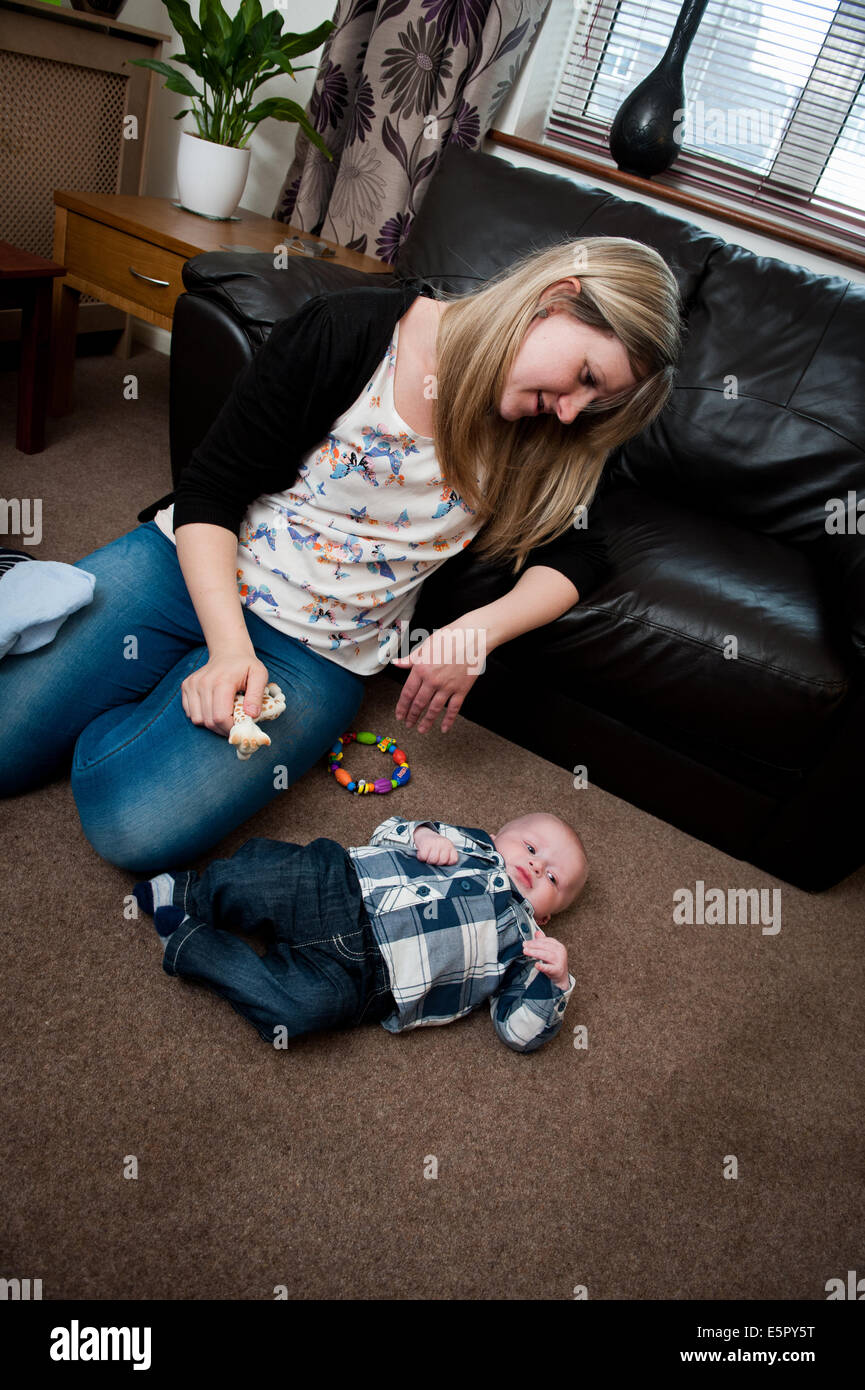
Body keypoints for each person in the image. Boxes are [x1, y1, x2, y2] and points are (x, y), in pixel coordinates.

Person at [0, 237, 682, 871]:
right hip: (191, 567)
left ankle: (134, 681)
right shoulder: (348, 329)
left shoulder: (550, 433)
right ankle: (115, 649)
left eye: (596, 401)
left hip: (318, 652)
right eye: (584, 375)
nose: (571, 412)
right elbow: (212, 488)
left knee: (133, 831)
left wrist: (476, 632)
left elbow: (581, 554)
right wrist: (229, 650)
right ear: (552, 297)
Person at [132, 811, 588, 1053]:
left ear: (547, 916)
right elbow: (385, 831)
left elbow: (519, 1032)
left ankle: (193, 947)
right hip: (343, 887)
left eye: (553, 879)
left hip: (368, 983)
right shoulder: (470, 844)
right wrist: (421, 837)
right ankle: (191, 893)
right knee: (263, 881)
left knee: (292, 1014)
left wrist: (556, 983)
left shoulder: (528, 947)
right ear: (498, 835)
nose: (536, 865)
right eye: (530, 847)